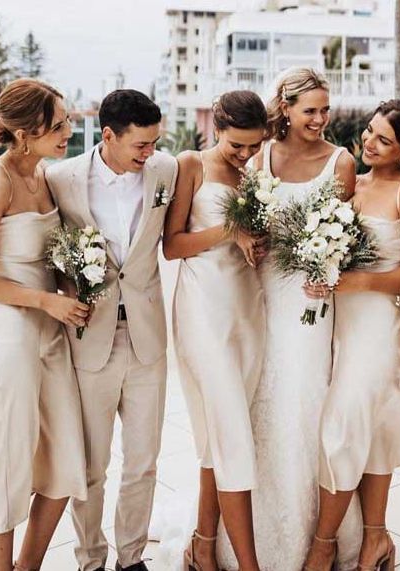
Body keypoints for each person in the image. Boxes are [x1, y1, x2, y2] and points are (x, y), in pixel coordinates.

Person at [216, 67, 361, 571]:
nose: (320, 119)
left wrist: (330, 267)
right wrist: (247, 237)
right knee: (258, 399)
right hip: (260, 292)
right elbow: (245, 216)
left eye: (325, 109)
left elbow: (347, 236)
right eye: (310, 110)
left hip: (309, 299)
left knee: (303, 401)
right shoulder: (261, 155)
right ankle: (251, 538)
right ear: (286, 107)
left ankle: (312, 535)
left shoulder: (341, 163)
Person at [0, 78, 88, 571]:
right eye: (59, 124)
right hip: (7, 333)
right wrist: (43, 302)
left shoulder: (44, 174)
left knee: (69, 460)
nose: (69, 130)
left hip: (48, 327)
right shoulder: (0, 179)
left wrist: (66, 291)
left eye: (68, 120)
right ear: (26, 133)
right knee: (9, 462)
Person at [44, 89, 178, 571]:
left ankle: (131, 558)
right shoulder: (60, 179)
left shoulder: (166, 171)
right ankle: (90, 559)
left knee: (143, 462)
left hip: (147, 340)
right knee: (89, 466)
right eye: (140, 145)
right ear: (107, 136)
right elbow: (36, 243)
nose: (150, 153)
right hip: (88, 338)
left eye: (154, 143)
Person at [302, 99, 400, 571]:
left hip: (382, 324)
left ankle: (324, 542)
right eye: (371, 133)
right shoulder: (350, 185)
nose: (370, 144)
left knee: (344, 426)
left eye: (384, 140)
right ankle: (375, 540)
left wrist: (359, 282)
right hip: (342, 322)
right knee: (370, 427)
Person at [163, 90, 268, 571]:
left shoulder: (256, 174)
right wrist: (230, 230)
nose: (246, 155)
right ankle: (249, 566)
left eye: (254, 146)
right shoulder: (192, 164)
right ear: (216, 129)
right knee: (230, 437)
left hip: (246, 308)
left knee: (217, 436)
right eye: (236, 147)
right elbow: (173, 244)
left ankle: (204, 545)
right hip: (204, 310)